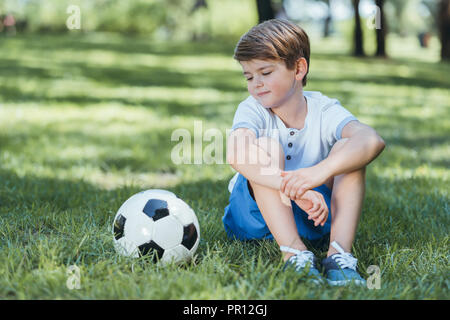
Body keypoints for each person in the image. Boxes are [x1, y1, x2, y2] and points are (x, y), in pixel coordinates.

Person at [223, 19, 385, 285]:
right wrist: (294, 189)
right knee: (264, 147)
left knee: (349, 148)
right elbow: (237, 153)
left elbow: (372, 140)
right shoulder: (253, 108)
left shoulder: (324, 109)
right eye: (249, 76)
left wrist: (317, 173)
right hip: (253, 217)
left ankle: (338, 256)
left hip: (314, 217)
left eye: (265, 72)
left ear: (298, 68)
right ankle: (293, 253)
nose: (256, 85)